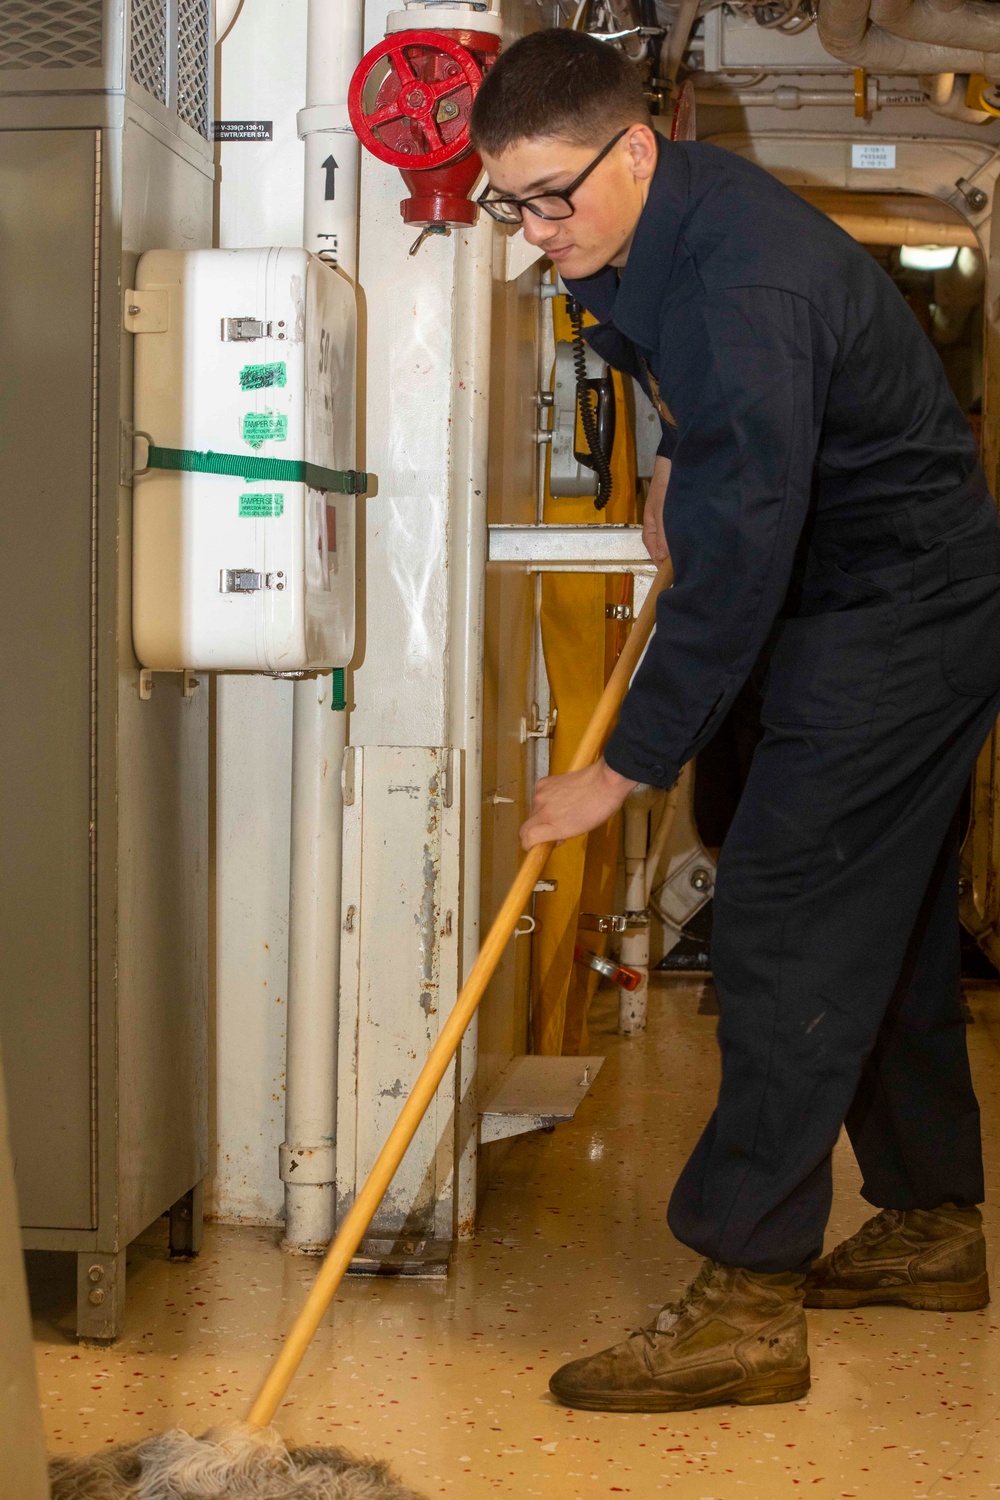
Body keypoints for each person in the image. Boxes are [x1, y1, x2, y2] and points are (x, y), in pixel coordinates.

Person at [469, 28, 999, 1414]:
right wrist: (669, 476)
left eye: (551, 199)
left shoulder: (747, 279)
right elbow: (706, 433)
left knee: (784, 920)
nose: (534, 234)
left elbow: (748, 547)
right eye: (506, 203)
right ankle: (937, 1223)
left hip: (898, 612)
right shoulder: (632, 235)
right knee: (872, 919)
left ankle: (749, 1302)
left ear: (636, 147)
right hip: (838, 593)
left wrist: (626, 764)